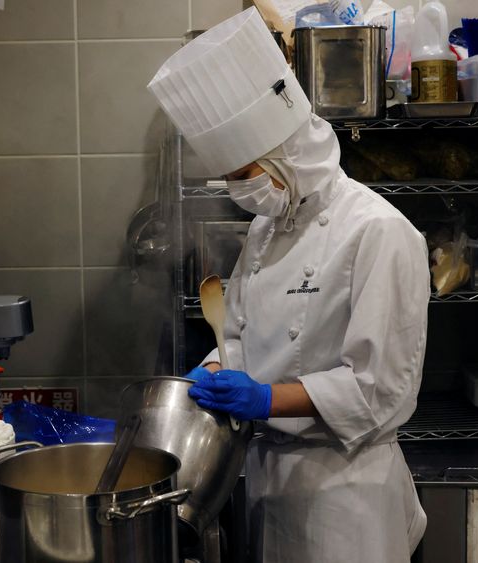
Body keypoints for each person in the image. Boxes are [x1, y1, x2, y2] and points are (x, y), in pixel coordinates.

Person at [147, 7, 430, 563]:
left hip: (345, 492)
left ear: (287, 154)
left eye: (243, 173)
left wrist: (263, 398)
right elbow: (241, 332)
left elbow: (380, 389)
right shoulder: (267, 226)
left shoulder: (379, 231)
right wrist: (203, 377)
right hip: (269, 479)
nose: (238, 190)